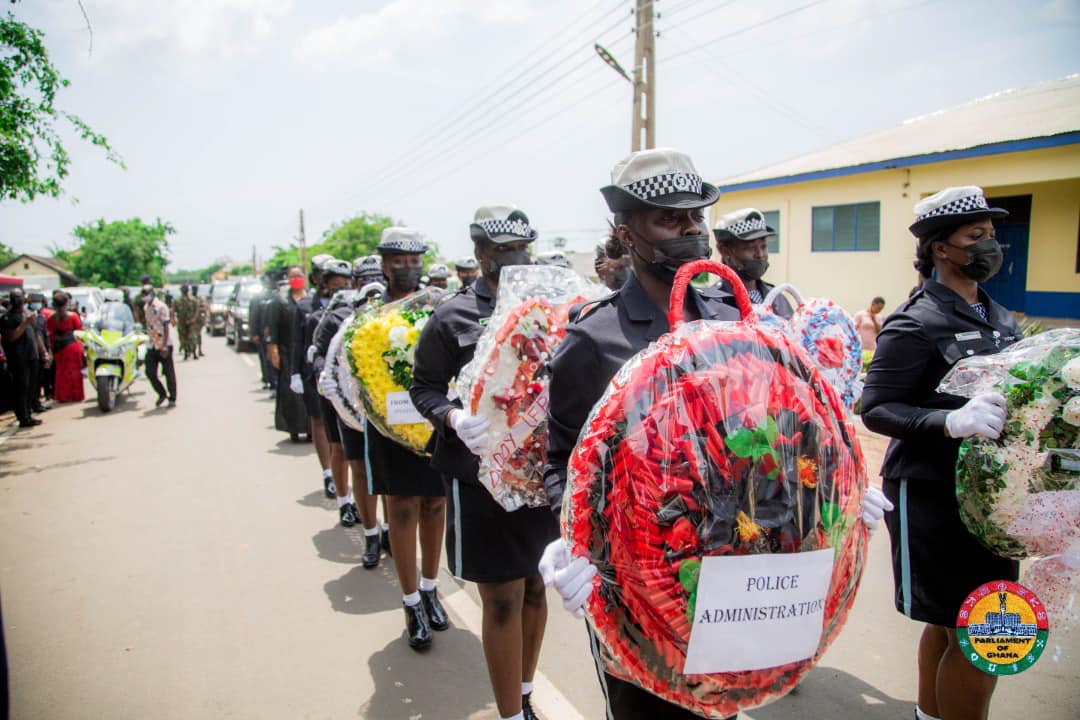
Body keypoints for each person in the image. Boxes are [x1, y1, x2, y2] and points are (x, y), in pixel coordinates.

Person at [861, 186, 1022, 720]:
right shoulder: (916, 321)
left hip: (990, 495)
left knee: (959, 621)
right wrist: (950, 422)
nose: (988, 247)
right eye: (974, 237)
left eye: (991, 236)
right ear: (939, 249)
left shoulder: (999, 318)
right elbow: (877, 408)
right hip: (932, 494)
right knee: (985, 627)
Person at [412, 206, 557, 720]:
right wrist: (451, 418)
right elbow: (424, 387)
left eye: (522, 249)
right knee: (501, 598)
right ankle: (510, 716)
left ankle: (522, 692)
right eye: (502, 252)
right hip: (478, 477)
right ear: (480, 256)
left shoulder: (550, 309)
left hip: (537, 476)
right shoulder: (451, 315)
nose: (515, 259)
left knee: (537, 587)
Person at [367, 227, 448, 651]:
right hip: (387, 424)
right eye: (398, 260)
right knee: (400, 508)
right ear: (384, 265)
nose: (408, 267)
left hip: (432, 421)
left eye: (414, 259)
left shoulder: (439, 306)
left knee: (435, 504)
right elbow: (355, 370)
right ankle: (411, 600)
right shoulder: (368, 314)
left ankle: (432, 587)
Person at [291, 256, 335, 495]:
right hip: (312, 372)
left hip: (338, 374)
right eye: (321, 274)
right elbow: (298, 341)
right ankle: (328, 472)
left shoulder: (346, 301)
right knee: (318, 420)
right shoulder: (306, 305)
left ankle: (340, 474)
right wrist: (295, 372)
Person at [713, 207, 795, 318]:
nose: (760, 254)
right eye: (750, 248)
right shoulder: (714, 303)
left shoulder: (776, 297)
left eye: (763, 246)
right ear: (724, 250)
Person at [267, 266, 312, 442]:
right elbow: (273, 327)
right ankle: (292, 429)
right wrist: (273, 350)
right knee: (290, 393)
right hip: (286, 352)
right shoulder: (280, 301)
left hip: (307, 352)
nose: (296, 279)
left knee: (309, 392)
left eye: (298, 276)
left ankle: (310, 430)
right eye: (292, 277)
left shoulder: (311, 299)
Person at [0, 288, 43, 428]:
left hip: (31, 356)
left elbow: (36, 335)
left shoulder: (26, 314)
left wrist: (43, 352)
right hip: (19, 359)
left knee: (31, 387)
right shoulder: (7, 318)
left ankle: (28, 414)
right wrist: (25, 323)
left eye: (20, 296)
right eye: (15, 297)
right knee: (21, 388)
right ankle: (23, 417)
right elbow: (12, 337)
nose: (19, 300)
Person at [141, 278, 177, 407]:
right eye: (143, 294)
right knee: (150, 372)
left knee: (168, 372)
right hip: (151, 344)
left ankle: (172, 397)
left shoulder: (161, 306)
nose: (145, 297)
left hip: (163, 344)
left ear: (152, 294)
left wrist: (165, 345)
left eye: (147, 294)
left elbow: (166, 325)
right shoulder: (146, 307)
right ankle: (162, 393)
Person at [46, 291, 84, 403]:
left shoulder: (51, 318)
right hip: (72, 346)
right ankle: (75, 395)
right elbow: (79, 332)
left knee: (61, 372)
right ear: (67, 303)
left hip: (59, 348)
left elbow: (50, 334)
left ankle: (63, 396)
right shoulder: (73, 316)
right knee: (74, 372)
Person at [28, 292, 52, 411]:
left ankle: (37, 403)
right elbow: (37, 336)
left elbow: (44, 335)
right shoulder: (28, 317)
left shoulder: (41, 317)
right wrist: (44, 352)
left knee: (40, 379)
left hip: (42, 351)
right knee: (34, 381)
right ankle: (34, 404)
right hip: (34, 352)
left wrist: (48, 351)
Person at [854, 296, 887, 365]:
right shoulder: (860, 315)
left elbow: (880, 331)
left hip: (873, 348)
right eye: (878, 308)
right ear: (873, 304)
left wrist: (874, 319)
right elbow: (854, 329)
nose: (879, 310)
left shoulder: (880, 317)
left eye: (881, 309)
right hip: (861, 346)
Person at [172, 284, 198, 360]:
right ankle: (186, 352)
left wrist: (194, 319)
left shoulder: (193, 300)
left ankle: (194, 352)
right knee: (183, 338)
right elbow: (173, 310)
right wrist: (173, 319)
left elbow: (197, 310)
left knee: (192, 338)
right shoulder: (177, 300)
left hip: (191, 322)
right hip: (181, 322)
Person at [192, 285, 207, 358]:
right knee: (192, 336)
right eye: (194, 289)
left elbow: (204, 309)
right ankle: (192, 351)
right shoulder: (190, 298)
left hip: (198, 321)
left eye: (195, 289)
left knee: (198, 335)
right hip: (191, 320)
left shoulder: (200, 299)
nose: (195, 290)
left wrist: (198, 310)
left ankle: (199, 350)